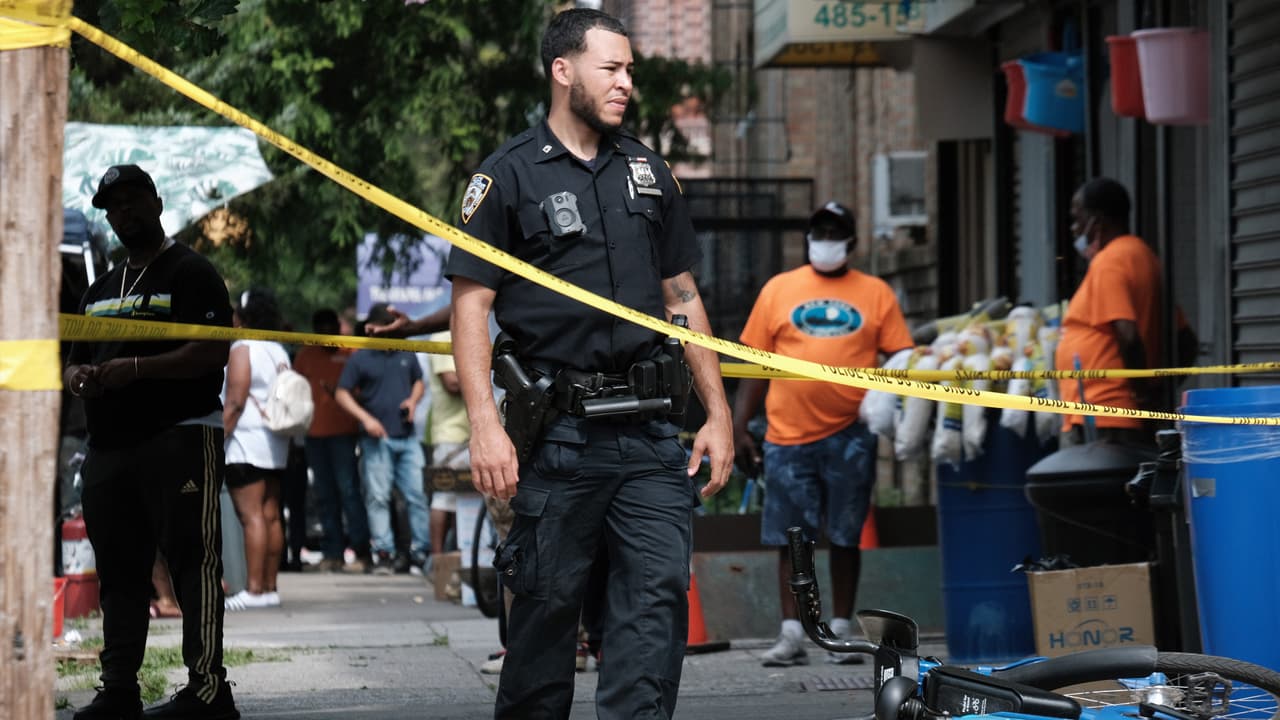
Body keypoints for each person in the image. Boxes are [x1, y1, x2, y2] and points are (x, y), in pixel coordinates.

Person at [445, 9, 733, 718]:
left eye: (630, 69)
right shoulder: (506, 176)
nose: (626, 83)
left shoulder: (648, 171)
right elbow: (470, 309)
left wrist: (719, 415)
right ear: (563, 70)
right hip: (559, 437)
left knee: (653, 606)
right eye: (611, 68)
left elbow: (682, 297)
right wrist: (484, 425)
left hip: (650, 437)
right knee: (545, 617)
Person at [63, 164, 239, 719]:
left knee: (192, 562)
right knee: (119, 571)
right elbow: (73, 361)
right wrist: (79, 377)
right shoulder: (99, 290)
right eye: (114, 206)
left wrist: (136, 369)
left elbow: (212, 351)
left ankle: (208, 691)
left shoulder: (191, 272)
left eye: (133, 200)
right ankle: (119, 689)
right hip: (110, 449)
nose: (124, 213)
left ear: (157, 204)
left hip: (179, 437)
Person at [733, 200, 913, 668]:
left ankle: (840, 630)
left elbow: (901, 358)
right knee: (790, 538)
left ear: (851, 242)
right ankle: (792, 633)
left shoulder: (876, 293)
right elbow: (753, 363)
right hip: (787, 435)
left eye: (835, 233)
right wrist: (738, 427)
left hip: (851, 434)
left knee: (846, 536)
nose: (826, 241)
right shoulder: (779, 289)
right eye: (820, 232)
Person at [1056, 177, 1192, 446]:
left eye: (1077, 219)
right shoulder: (1142, 255)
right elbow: (1187, 341)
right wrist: (1153, 393)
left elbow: (1128, 335)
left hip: (1105, 411)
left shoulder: (1111, 261)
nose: (1074, 229)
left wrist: (1142, 395)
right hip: (1113, 412)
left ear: (1097, 221)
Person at [335, 303, 431, 575]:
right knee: (378, 497)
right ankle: (384, 554)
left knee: (417, 496)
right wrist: (366, 419)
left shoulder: (406, 352)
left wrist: (413, 401)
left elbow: (419, 381)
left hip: (407, 437)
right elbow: (341, 393)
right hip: (376, 440)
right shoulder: (361, 357)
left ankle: (420, 553)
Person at [221, 290, 292, 610]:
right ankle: (269, 587)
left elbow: (235, 401)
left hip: (246, 442)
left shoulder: (243, 348)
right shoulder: (278, 349)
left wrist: (218, 437)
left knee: (251, 516)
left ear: (243, 316)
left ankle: (253, 589)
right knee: (271, 514)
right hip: (276, 443)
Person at [293, 308, 370, 573]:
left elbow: (363, 392)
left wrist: (341, 394)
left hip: (344, 435)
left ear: (338, 328)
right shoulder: (305, 355)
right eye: (322, 330)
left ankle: (362, 551)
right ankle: (333, 552)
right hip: (314, 436)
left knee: (349, 493)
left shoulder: (351, 352)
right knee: (325, 496)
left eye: (331, 329)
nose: (327, 335)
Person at [425, 330, 467, 561]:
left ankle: (463, 559)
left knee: (467, 500)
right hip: (450, 435)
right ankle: (439, 562)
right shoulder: (441, 338)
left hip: (476, 434)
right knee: (443, 498)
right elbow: (452, 383)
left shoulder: (476, 331)